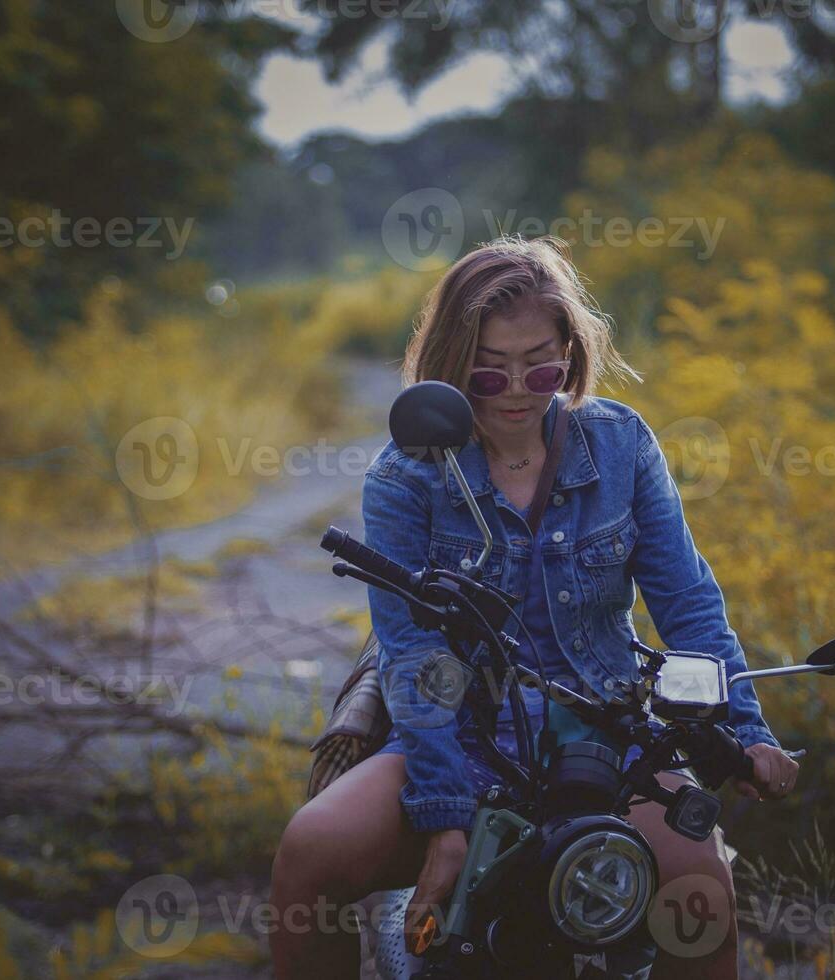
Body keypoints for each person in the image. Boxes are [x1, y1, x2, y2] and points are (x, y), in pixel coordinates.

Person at [270, 236, 797, 979]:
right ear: (452, 364)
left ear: (571, 356)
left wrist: (748, 733)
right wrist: (445, 819)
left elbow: (688, 602)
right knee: (310, 851)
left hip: (610, 735)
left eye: (540, 367)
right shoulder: (405, 477)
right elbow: (415, 659)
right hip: (461, 736)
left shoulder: (620, 443)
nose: (517, 390)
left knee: (700, 896)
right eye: (489, 371)